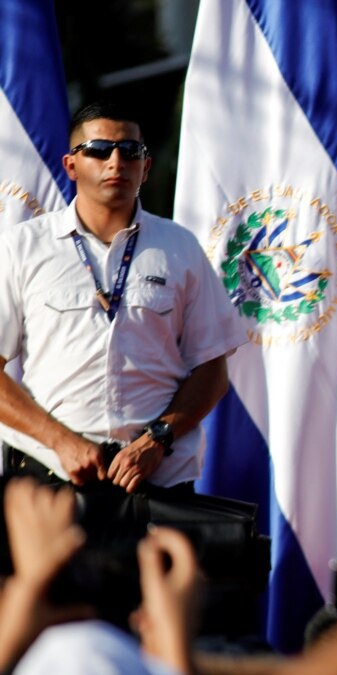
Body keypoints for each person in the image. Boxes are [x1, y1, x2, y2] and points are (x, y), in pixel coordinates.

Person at [0, 100, 244, 494]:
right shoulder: (21, 247)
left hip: (157, 481)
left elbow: (212, 371)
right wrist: (61, 442)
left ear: (145, 167)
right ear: (71, 166)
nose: (116, 162)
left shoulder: (180, 247)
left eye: (130, 151)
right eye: (98, 150)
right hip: (53, 481)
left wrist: (158, 439)